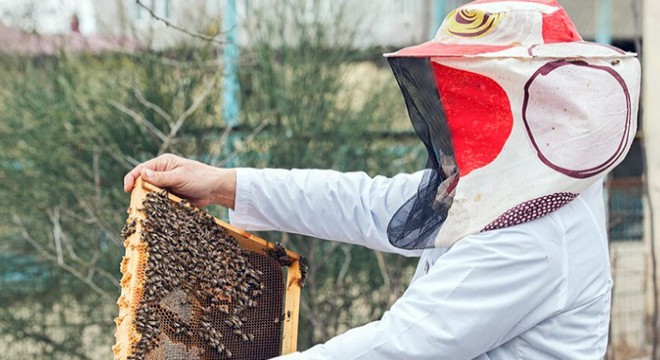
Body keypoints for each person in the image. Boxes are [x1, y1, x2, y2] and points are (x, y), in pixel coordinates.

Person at [123, 0, 640, 358]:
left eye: (470, 95)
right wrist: (224, 183)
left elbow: (401, 346)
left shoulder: (536, 238)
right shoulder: (512, 187)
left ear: (528, 103)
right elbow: (370, 202)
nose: (451, 111)